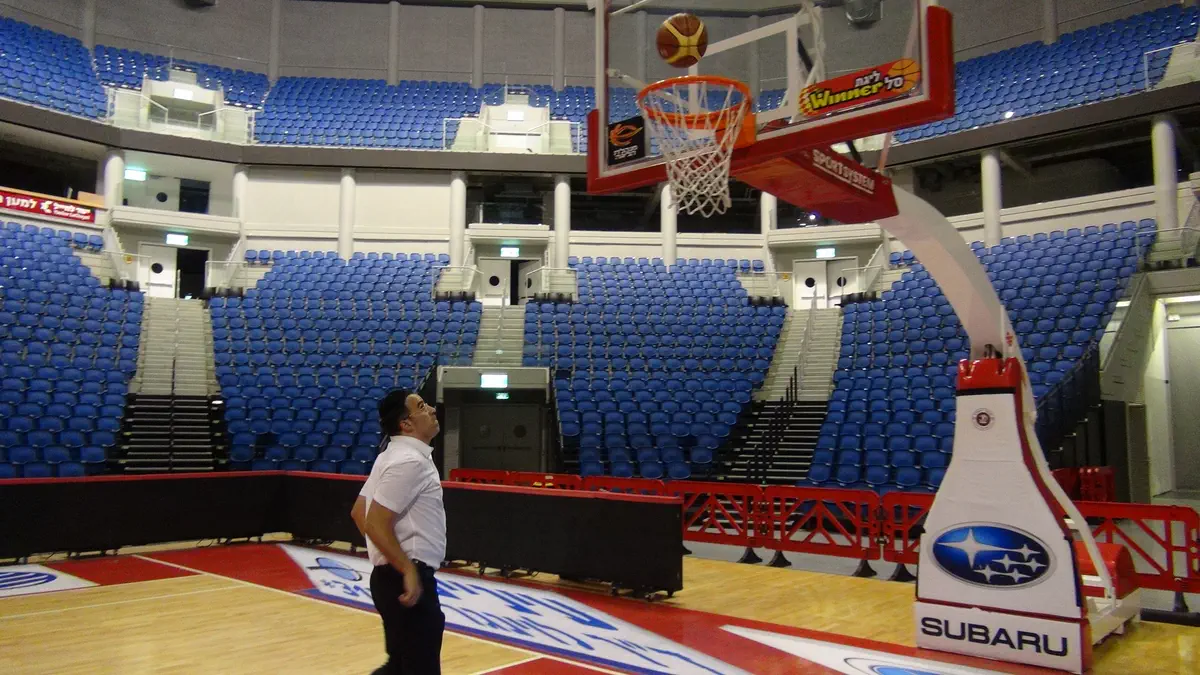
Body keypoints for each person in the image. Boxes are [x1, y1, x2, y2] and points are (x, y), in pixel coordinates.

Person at [350, 389, 446, 675]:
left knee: (399, 667)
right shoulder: (409, 461)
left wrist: (386, 557)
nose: (432, 409)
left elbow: (359, 512)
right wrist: (406, 569)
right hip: (406, 578)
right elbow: (373, 522)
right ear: (406, 423)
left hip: (388, 578)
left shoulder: (390, 456)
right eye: (422, 406)